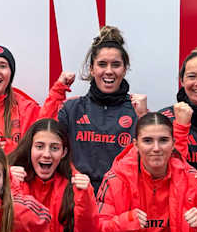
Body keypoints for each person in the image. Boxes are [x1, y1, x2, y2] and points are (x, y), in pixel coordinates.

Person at [57, 26, 147, 187]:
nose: (109, 71)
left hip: (121, 197)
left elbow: (153, 160)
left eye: (116, 65)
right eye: (102, 64)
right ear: (92, 69)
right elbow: (44, 144)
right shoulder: (71, 109)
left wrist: (144, 118)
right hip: (78, 195)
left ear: (125, 69)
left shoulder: (137, 110)